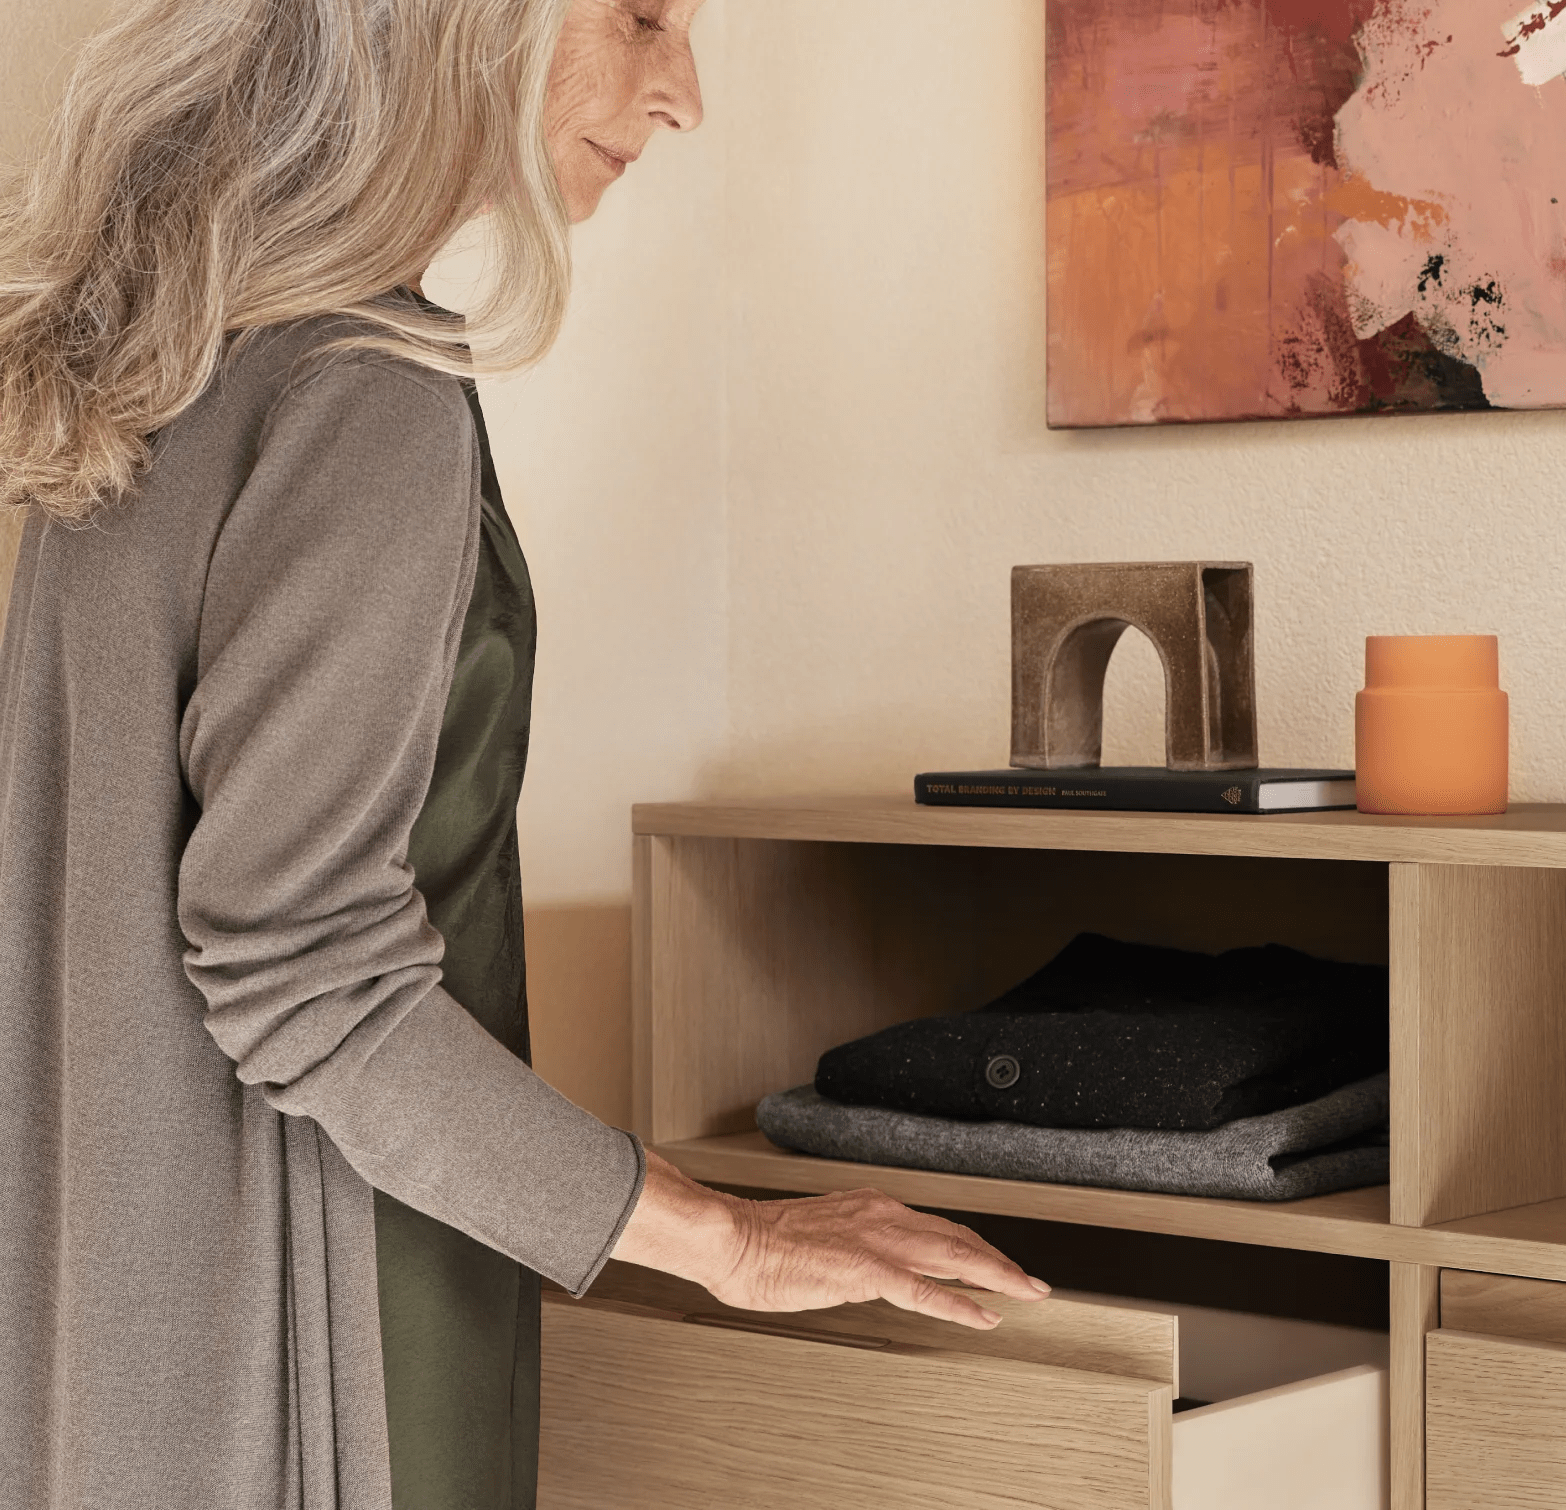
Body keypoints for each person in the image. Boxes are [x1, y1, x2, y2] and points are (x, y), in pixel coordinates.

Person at [0, 4, 1046, 1508]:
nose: (681, 91)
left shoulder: (161, 351)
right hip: (317, 1351)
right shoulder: (365, 389)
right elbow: (301, 967)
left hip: (106, 1362)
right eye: (640, 16)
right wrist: (728, 1238)